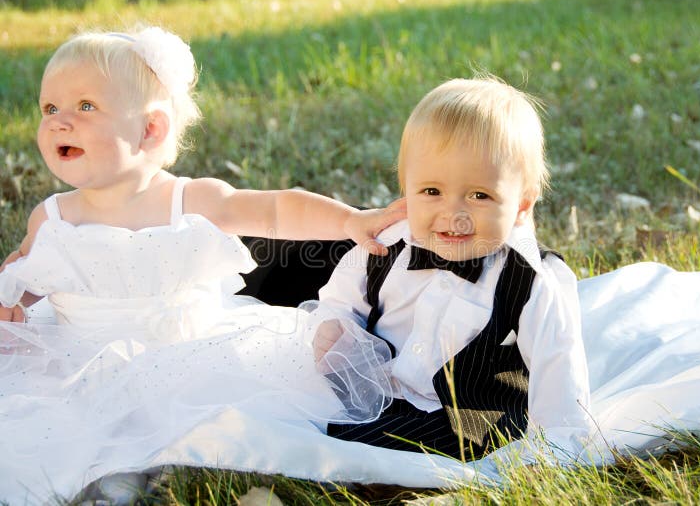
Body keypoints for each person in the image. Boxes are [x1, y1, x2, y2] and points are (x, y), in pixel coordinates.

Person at [0, 26, 402, 503]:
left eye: (86, 107)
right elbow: (30, 272)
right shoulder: (52, 216)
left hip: (185, 357)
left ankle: (149, 465)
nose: (60, 121)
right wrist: (15, 301)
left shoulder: (188, 199)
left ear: (151, 128)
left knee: (219, 426)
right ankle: (110, 473)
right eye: (50, 109)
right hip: (80, 361)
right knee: (57, 428)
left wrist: (351, 220)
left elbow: (275, 210)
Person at [307, 77, 594, 462]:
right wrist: (334, 326)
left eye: (479, 195)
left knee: (450, 455)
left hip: (475, 418)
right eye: (431, 192)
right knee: (315, 421)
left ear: (522, 205)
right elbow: (342, 300)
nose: (453, 214)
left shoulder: (530, 281)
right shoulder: (386, 246)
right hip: (382, 391)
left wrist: (559, 446)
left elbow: (558, 368)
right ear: (405, 188)